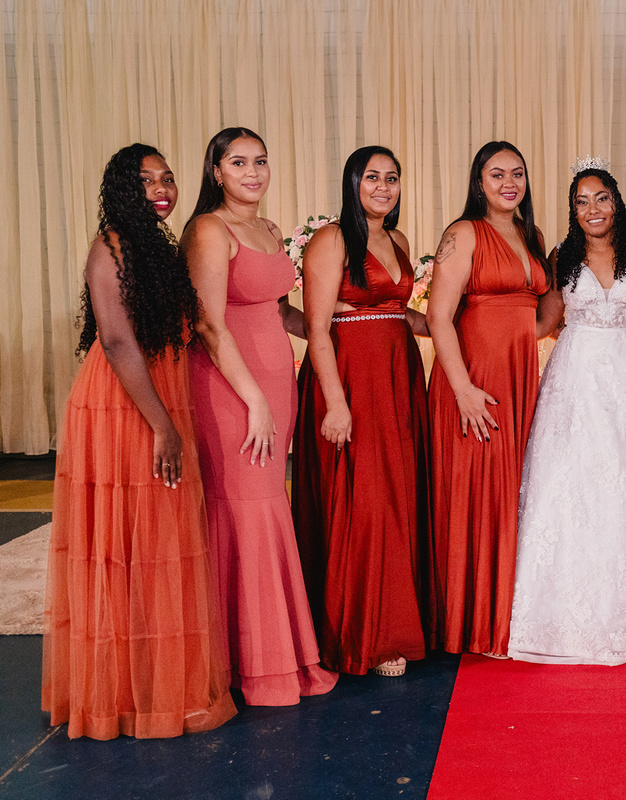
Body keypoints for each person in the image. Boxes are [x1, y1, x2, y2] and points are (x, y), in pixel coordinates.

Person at [42, 144, 237, 739]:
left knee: (157, 543)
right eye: (147, 179)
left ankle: (155, 679)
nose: (162, 187)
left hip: (157, 395)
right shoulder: (112, 245)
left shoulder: (155, 245)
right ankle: (125, 694)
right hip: (127, 406)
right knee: (129, 545)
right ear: (122, 188)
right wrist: (165, 427)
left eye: (168, 178)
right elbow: (119, 341)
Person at [507, 162, 626, 665]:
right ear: (573, 210)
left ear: (617, 201)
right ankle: (557, 613)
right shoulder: (562, 256)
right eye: (582, 202)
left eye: (601, 198)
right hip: (574, 381)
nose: (592, 209)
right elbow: (545, 321)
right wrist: (486, 326)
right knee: (570, 484)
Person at [183, 127, 337, 705]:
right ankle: (248, 664)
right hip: (232, 389)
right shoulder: (208, 230)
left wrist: (335, 328)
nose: (253, 172)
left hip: (275, 381)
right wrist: (253, 400)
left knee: (268, 507)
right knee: (244, 511)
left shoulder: (269, 231)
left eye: (261, 161)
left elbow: (278, 310)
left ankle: (273, 653)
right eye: (239, 162)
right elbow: (208, 323)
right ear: (216, 172)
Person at [291, 146, 435, 678]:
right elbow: (318, 326)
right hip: (349, 378)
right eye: (372, 177)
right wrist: (334, 403)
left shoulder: (395, 240)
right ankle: (369, 633)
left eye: (391, 178)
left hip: (397, 377)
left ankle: (399, 615)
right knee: (365, 500)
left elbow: (400, 311)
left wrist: (454, 322)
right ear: (353, 182)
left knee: (397, 494)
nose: (383, 186)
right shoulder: (332, 240)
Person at [426, 141, 550, 657]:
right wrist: (463, 390)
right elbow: (437, 316)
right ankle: (470, 624)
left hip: (517, 378)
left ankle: (502, 617)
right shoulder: (463, 233)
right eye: (496, 174)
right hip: (472, 380)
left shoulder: (531, 234)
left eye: (517, 173)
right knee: (475, 495)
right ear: (479, 181)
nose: (508, 182)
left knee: (509, 495)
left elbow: (541, 315)